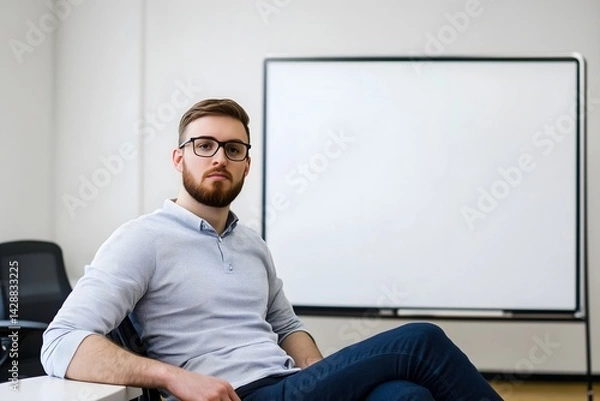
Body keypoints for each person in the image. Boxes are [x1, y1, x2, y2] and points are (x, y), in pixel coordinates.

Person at [41, 98, 502, 401]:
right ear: (179, 157)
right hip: (237, 394)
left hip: (290, 385)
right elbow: (60, 344)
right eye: (205, 145)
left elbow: (287, 326)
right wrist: (172, 377)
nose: (220, 157)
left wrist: (327, 377)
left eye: (234, 148)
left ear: (246, 165)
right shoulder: (141, 239)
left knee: (407, 396)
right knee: (420, 341)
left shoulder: (251, 244)